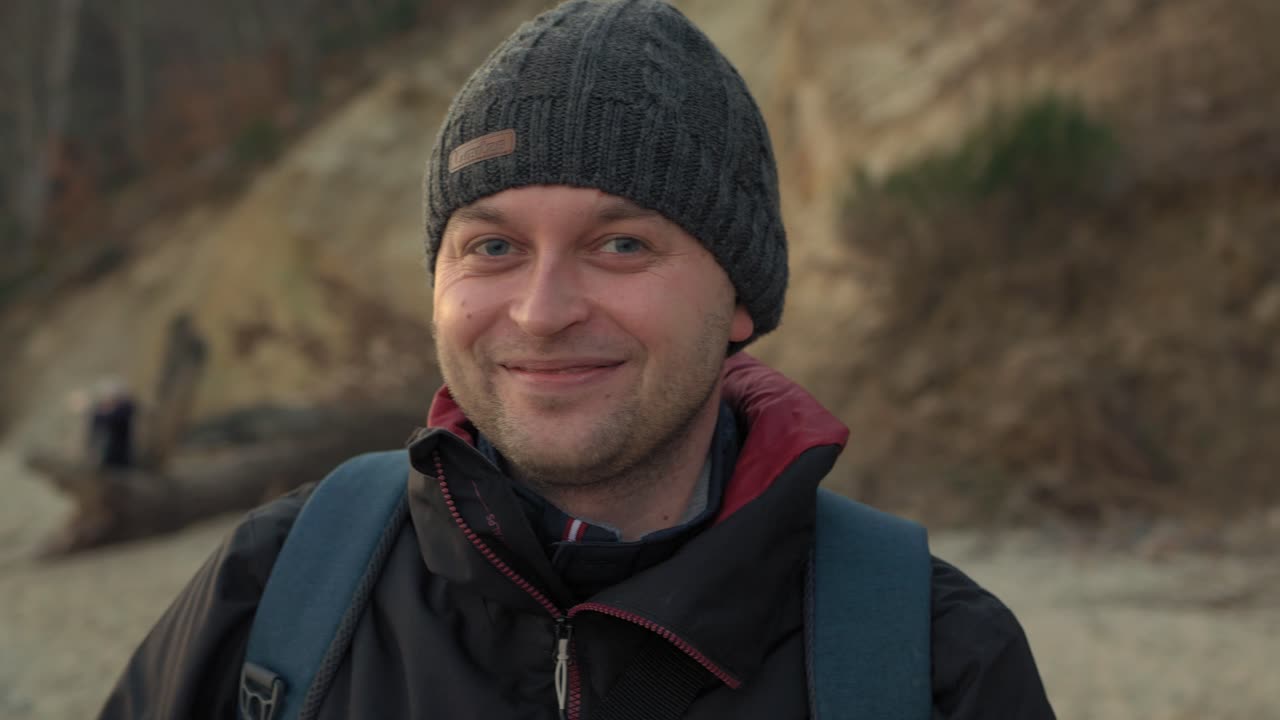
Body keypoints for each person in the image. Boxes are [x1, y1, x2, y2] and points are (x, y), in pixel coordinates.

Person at [99, 1, 1055, 717]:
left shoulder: (928, 656)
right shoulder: (282, 586)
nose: (541, 311)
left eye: (621, 245)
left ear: (738, 301)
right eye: (493, 247)